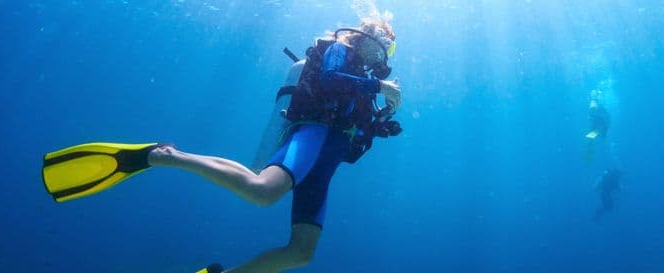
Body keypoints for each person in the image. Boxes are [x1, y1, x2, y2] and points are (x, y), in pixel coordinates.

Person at [41, 17, 402, 273]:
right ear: (366, 36)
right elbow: (328, 77)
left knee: (301, 252)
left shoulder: (364, 82)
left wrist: (378, 123)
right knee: (262, 192)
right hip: (311, 134)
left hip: (326, 160)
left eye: (390, 48)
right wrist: (376, 89)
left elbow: (352, 143)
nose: (385, 53)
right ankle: (164, 157)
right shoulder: (339, 49)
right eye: (384, 43)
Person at [585, 89, 610, 163]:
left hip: (596, 121)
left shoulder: (596, 105)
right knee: (598, 133)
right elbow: (607, 118)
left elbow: (591, 114)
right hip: (599, 121)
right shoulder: (601, 107)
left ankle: (589, 146)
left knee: (591, 137)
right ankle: (590, 147)